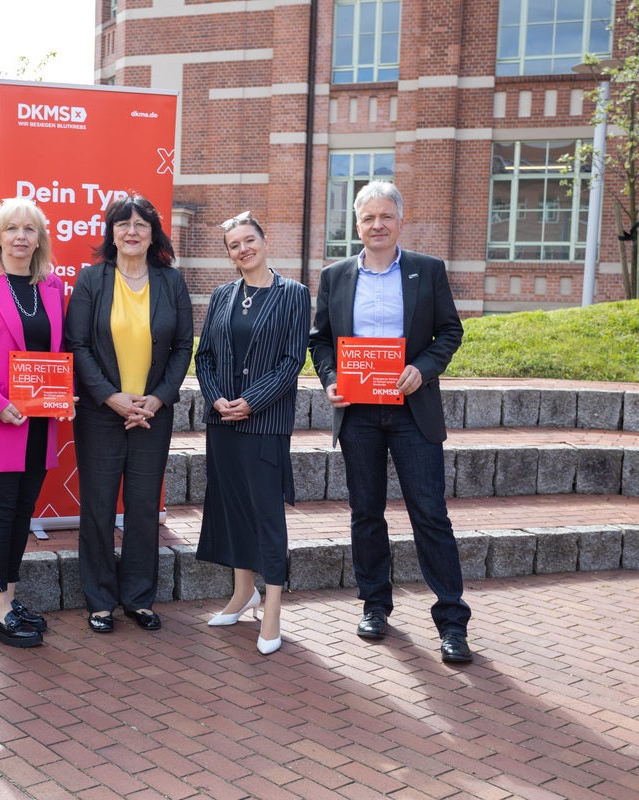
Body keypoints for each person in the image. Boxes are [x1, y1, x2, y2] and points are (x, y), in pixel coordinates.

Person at [308, 181, 473, 664]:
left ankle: (451, 622)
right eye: (367, 218)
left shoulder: (428, 270)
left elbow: (450, 331)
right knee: (366, 513)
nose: (376, 225)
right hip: (357, 413)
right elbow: (320, 341)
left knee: (429, 514)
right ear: (355, 225)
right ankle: (375, 605)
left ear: (400, 221)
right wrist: (330, 378)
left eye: (385, 216)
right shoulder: (335, 275)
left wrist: (423, 368)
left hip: (411, 413)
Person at [65, 194, 193, 634]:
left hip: (152, 415)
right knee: (98, 507)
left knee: (142, 509)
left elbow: (182, 348)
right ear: (112, 231)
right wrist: (110, 397)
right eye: (124, 223)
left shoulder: (171, 282)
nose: (132, 231)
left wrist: (157, 399)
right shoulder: (91, 279)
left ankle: (138, 598)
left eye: (141, 223)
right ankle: (100, 601)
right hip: (103, 414)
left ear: (153, 231)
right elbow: (76, 345)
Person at [194, 212, 310, 656]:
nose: (243, 249)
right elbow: (204, 357)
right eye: (234, 245)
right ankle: (244, 594)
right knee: (231, 508)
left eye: (249, 240)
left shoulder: (294, 294)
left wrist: (252, 401)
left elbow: (290, 360)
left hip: (264, 424)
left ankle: (274, 609)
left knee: (265, 515)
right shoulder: (222, 295)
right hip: (222, 422)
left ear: (264, 240)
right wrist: (219, 398)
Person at [0, 198, 67, 648]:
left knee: (23, 513)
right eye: (12, 228)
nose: (21, 236)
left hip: (38, 421)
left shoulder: (52, 287)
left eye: (30, 229)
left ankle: (9, 598)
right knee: (0, 514)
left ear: (39, 238)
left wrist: (64, 391)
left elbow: (57, 353)